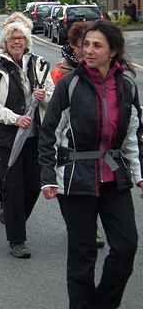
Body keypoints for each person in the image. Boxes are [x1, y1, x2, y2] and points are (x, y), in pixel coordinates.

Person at [39, 21, 142, 309]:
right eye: (86, 45)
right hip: (74, 178)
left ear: (113, 51)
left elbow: (133, 134)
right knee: (83, 254)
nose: (88, 50)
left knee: (125, 246)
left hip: (113, 176)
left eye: (97, 45)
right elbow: (49, 133)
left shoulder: (126, 85)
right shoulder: (69, 85)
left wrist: (139, 174)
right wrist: (48, 176)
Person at [0, 21, 53, 258]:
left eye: (20, 38)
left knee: (33, 186)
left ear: (27, 41)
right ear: (5, 42)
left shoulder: (40, 65)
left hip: (34, 137)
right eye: (12, 39)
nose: (17, 42)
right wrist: (14, 118)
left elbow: (54, 98)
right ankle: (17, 239)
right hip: (6, 138)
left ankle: (12, 217)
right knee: (13, 188)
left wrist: (44, 97)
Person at [49, 21, 107, 249]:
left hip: (99, 150)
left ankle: (89, 226)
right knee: (76, 191)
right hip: (68, 147)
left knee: (99, 188)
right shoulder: (61, 76)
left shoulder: (107, 76)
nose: (86, 51)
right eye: (81, 46)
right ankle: (83, 227)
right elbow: (52, 117)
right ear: (72, 47)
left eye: (93, 45)